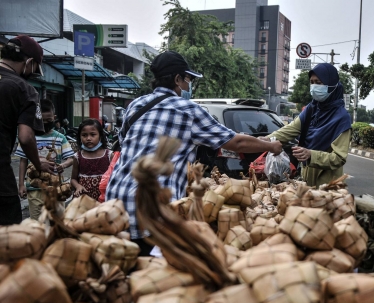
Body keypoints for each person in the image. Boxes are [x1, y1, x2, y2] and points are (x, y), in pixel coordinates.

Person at [105, 50, 282, 255]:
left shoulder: (137, 104)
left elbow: (124, 143)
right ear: (177, 79)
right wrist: (271, 146)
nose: (188, 86)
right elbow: (237, 142)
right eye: (187, 79)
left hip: (115, 204)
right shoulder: (188, 110)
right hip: (155, 209)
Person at [263, 63, 352, 188]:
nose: (314, 86)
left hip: (328, 183)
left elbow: (338, 158)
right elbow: (291, 129)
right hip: (305, 177)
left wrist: (311, 155)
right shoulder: (311, 109)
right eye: (312, 82)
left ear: (332, 85)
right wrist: (267, 140)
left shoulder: (342, 119)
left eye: (319, 82)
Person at [0, 35, 56, 225]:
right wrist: (38, 164)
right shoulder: (24, 89)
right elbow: (26, 137)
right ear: (30, 62)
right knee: (9, 237)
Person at [16, 99, 75, 220]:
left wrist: (63, 165)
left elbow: (71, 159)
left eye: (49, 120)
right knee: (37, 223)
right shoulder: (28, 138)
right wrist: (21, 185)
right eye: (42, 121)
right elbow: (23, 161)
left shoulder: (60, 138)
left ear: (54, 117)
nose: (46, 123)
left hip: (56, 189)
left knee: (57, 223)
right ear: (36, 119)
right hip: (34, 189)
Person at [71, 119, 112, 201]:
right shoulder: (78, 157)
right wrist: (78, 186)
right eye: (84, 135)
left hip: (104, 199)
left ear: (100, 135)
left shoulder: (109, 155)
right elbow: (73, 179)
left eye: (93, 135)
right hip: (84, 200)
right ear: (80, 137)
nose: (88, 138)